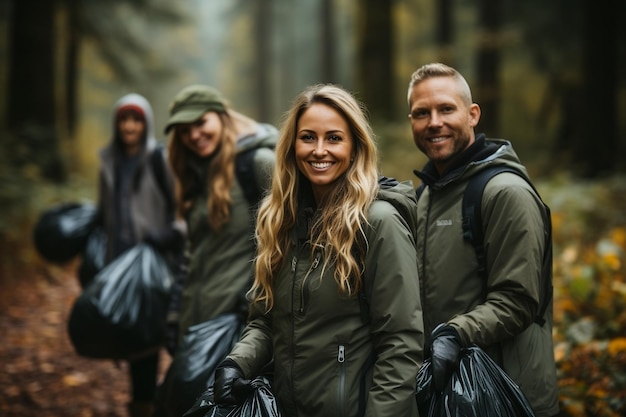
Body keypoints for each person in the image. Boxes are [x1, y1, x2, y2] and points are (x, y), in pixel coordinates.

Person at [212, 84, 424, 417]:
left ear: (355, 147)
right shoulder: (281, 220)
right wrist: (237, 363)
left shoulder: (378, 223)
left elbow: (401, 345)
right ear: (292, 145)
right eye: (308, 137)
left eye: (334, 138)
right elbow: (265, 321)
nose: (319, 150)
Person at [407, 62, 559, 416]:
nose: (434, 122)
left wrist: (454, 334)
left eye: (446, 109)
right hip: (450, 394)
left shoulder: (505, 193)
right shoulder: (427, 196)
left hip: (505, 394)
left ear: (472, 114)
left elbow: (518, 300)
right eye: (421, 113)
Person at [155, 85, 278, 413]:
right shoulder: (197, 175)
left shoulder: (258, 164)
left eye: (201, 123)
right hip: (195, 330)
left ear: (222, 118)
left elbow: (289, 242)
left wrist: (253, 303)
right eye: (184, 131)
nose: (194, 135)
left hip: (237, 333)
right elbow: (190, 253)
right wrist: (174, 316)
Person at [96, 93, 184, 417]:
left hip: (157, 267)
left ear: (145, 124)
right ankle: (143, 405)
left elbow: (183, 212)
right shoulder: (109, 162)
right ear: (116, 124)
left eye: (136, 120)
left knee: (162, 340)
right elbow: (105, 213)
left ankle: (171, 401)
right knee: (137, 343)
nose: (129, 126)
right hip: (122, 265)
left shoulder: (159, 160)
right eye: (124, 119)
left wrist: (169, 235)